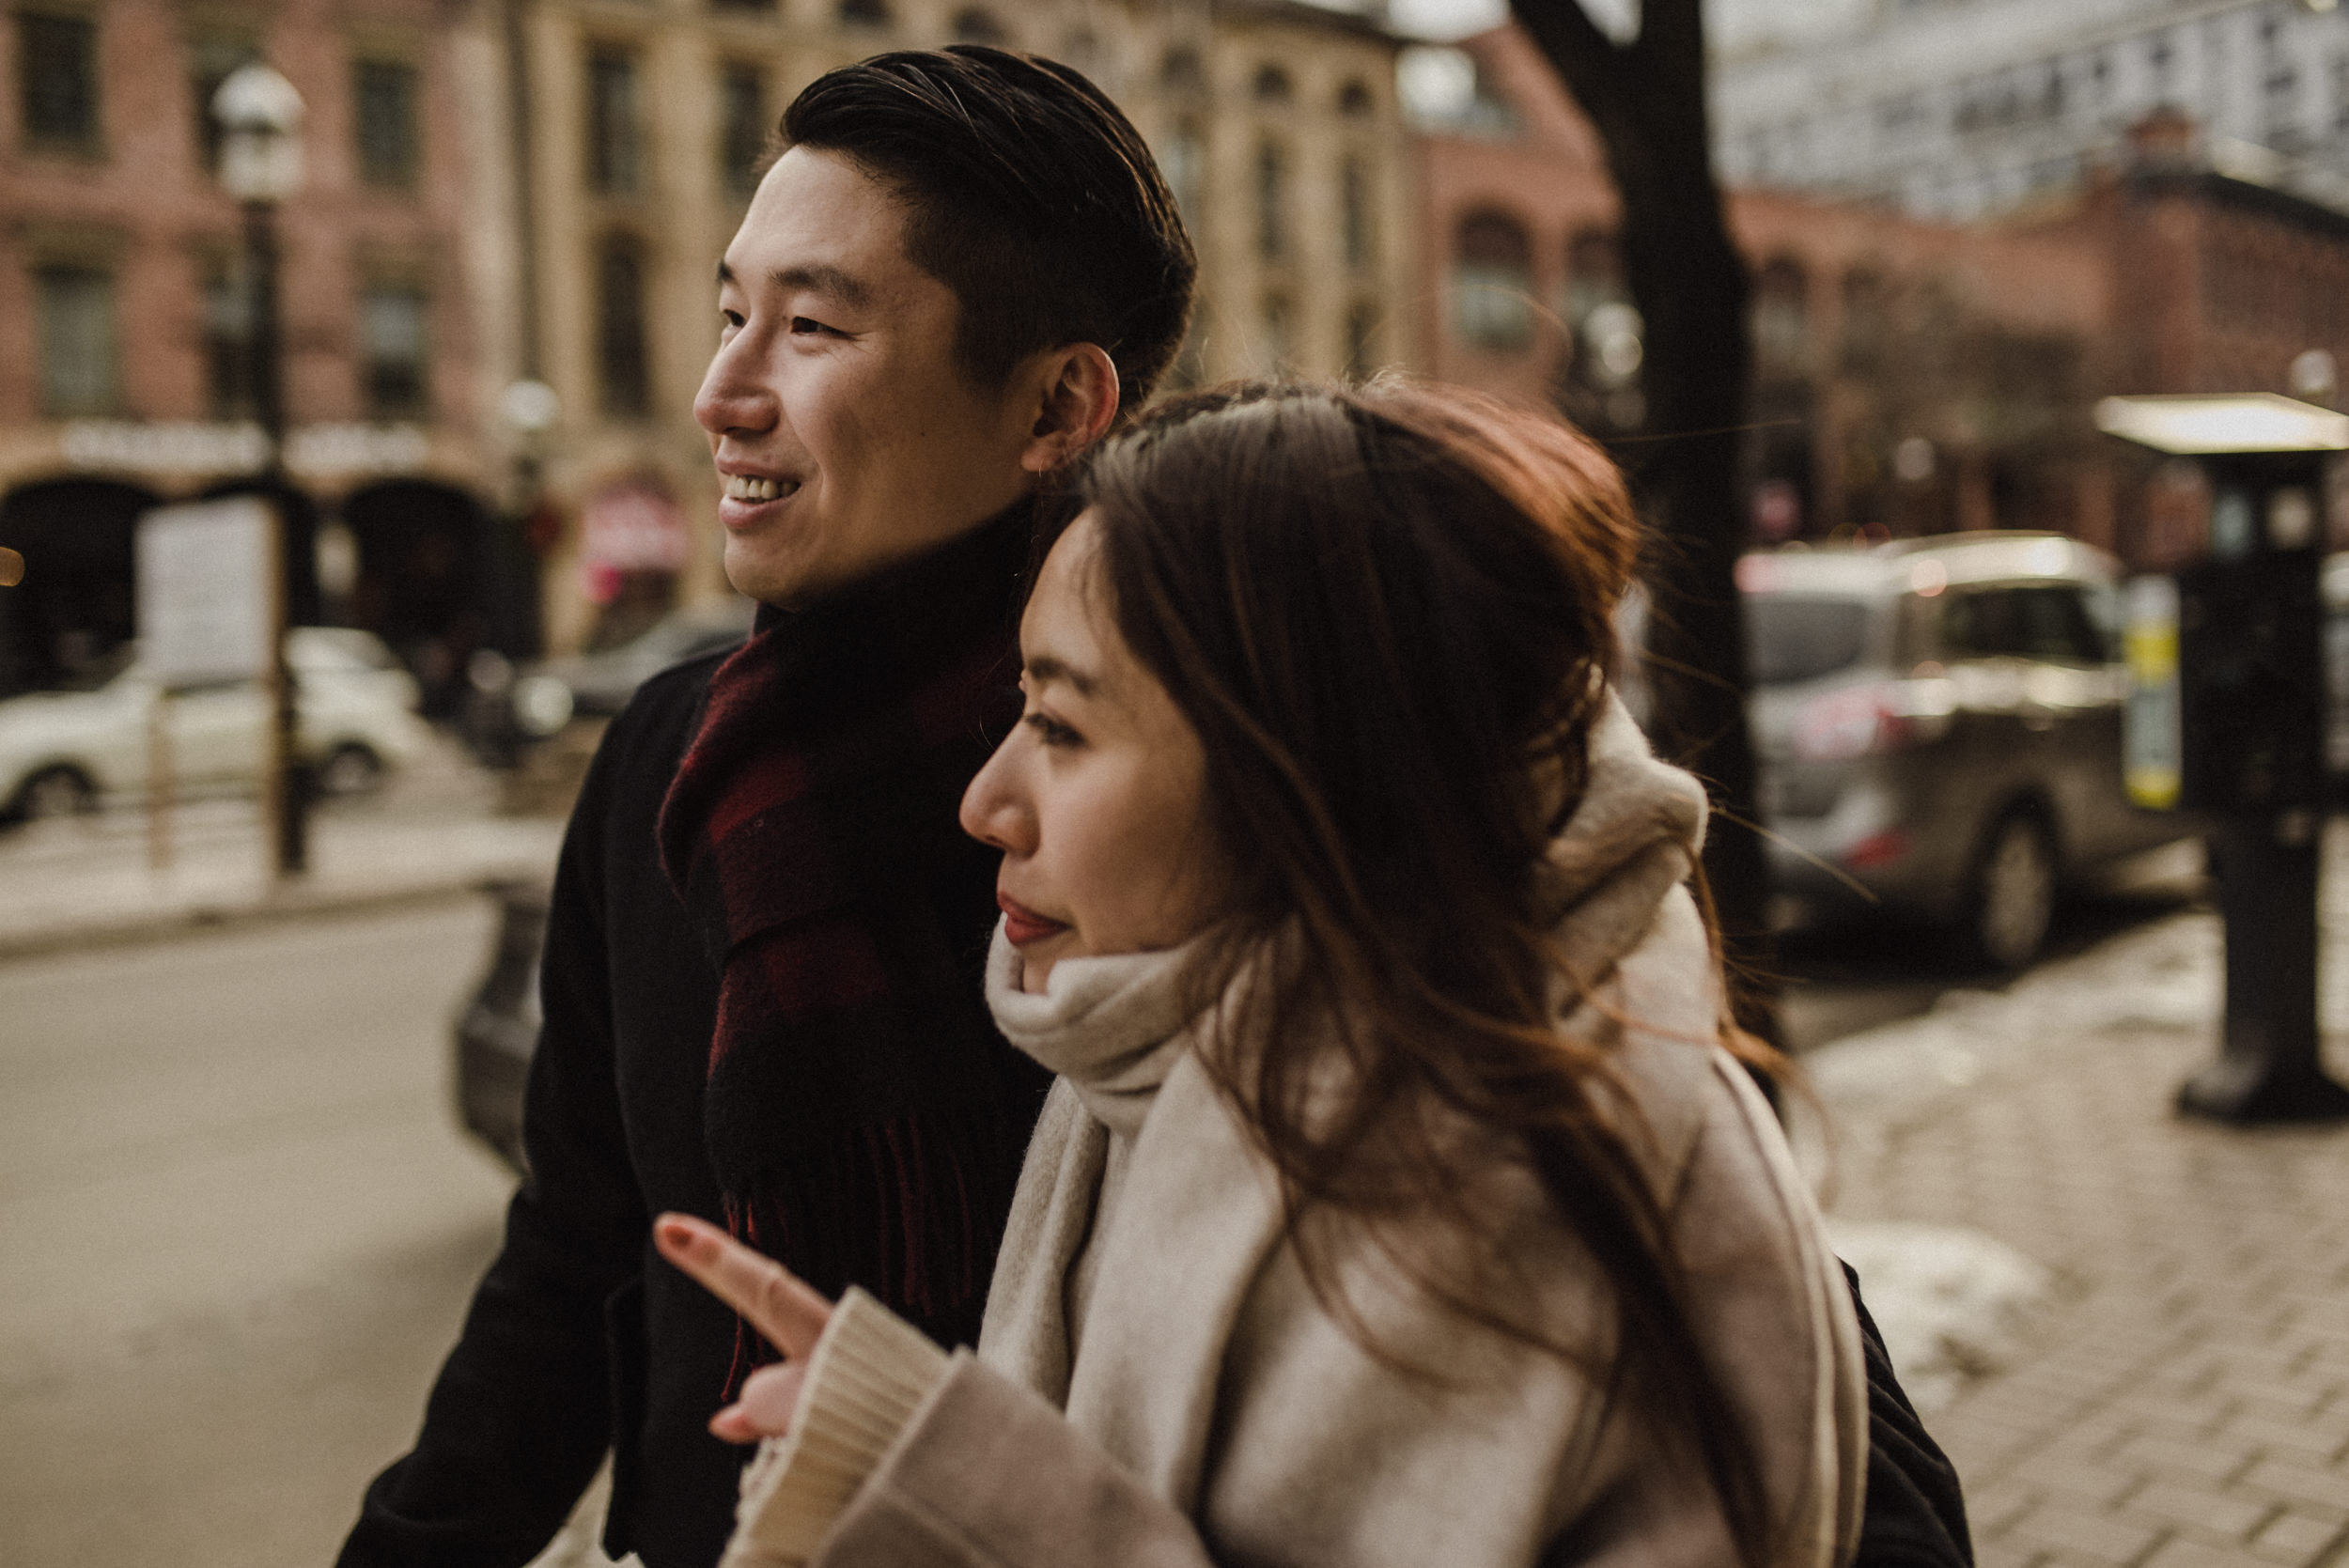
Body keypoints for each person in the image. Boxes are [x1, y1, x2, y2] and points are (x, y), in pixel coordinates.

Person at [650, 380, 1875, 1568]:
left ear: (1310, 771)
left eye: (1065, 728)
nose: (987, 803)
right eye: (1017, 707)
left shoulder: (1549, 1189)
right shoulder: (1172, 1039)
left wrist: (964, 1496)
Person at [337, 48, 1195, 1568]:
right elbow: (575, 1251)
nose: (721, 393)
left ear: (1059, 402)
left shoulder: (1184, 773)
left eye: (812, 326)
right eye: (732, 313)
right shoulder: (670, 759)